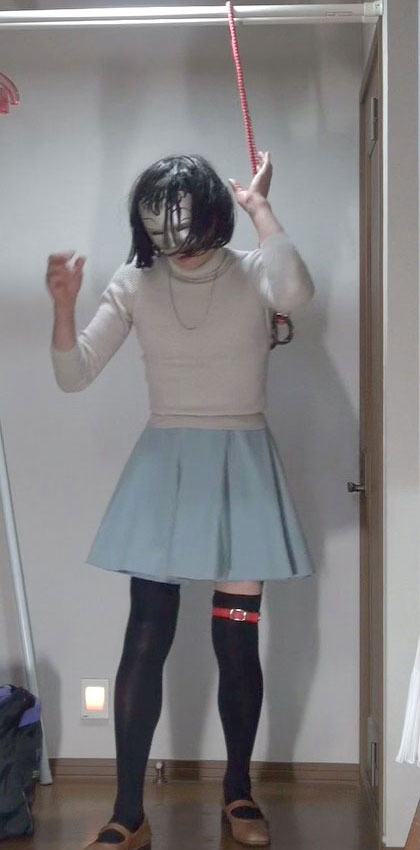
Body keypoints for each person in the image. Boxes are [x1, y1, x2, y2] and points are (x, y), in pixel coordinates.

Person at [46, 151, 315, 850]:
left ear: (214, 218)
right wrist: (64, 308)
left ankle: (239, 792)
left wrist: (261, 208)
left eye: (187, 229)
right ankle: (127, 812)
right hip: (165, 467)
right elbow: (75, 374)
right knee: (146, 635)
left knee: (236, 638)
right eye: (162, 231)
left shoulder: (253, 271)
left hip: (241, 466)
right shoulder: (134, 282)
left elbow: (296, 291)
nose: (178, 246)